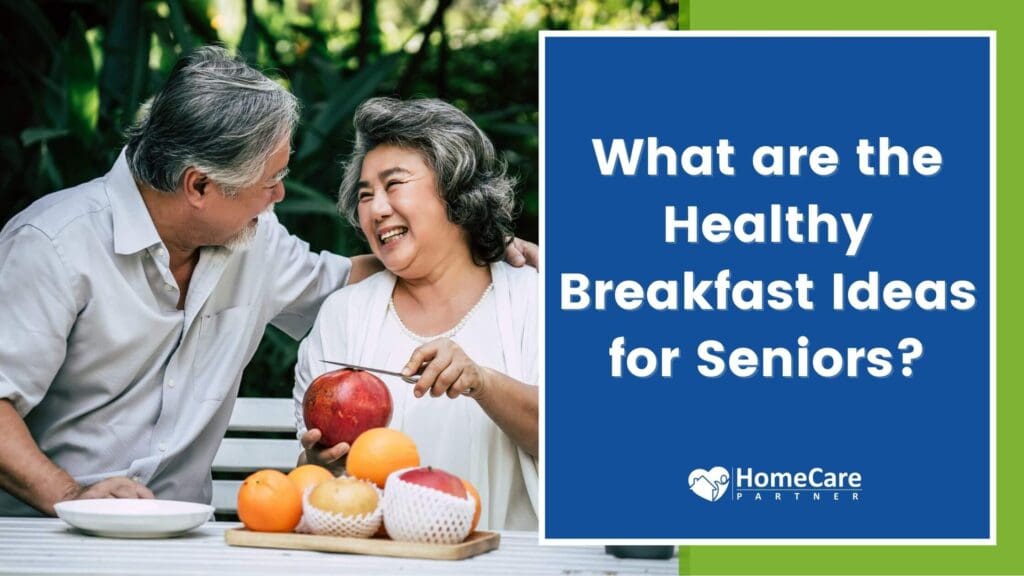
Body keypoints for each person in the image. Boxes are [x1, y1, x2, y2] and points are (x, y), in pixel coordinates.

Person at [0, 47, 536, 517]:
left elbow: (350, 278)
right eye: (270, 181)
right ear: (200, 186)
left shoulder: (254, 240)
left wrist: (479, 244)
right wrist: (70, 497)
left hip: (186, 535)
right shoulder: (52, 247)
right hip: (54, 529)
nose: (281, 196)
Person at [294, 98, 538, 531]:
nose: (376, 208)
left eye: (394, 184)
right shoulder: (344, 315)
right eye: (365, 195)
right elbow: (312, 473)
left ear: (455, 190)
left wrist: (481, 382)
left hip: (511, 561)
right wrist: (320, 462)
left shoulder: (534, 300)